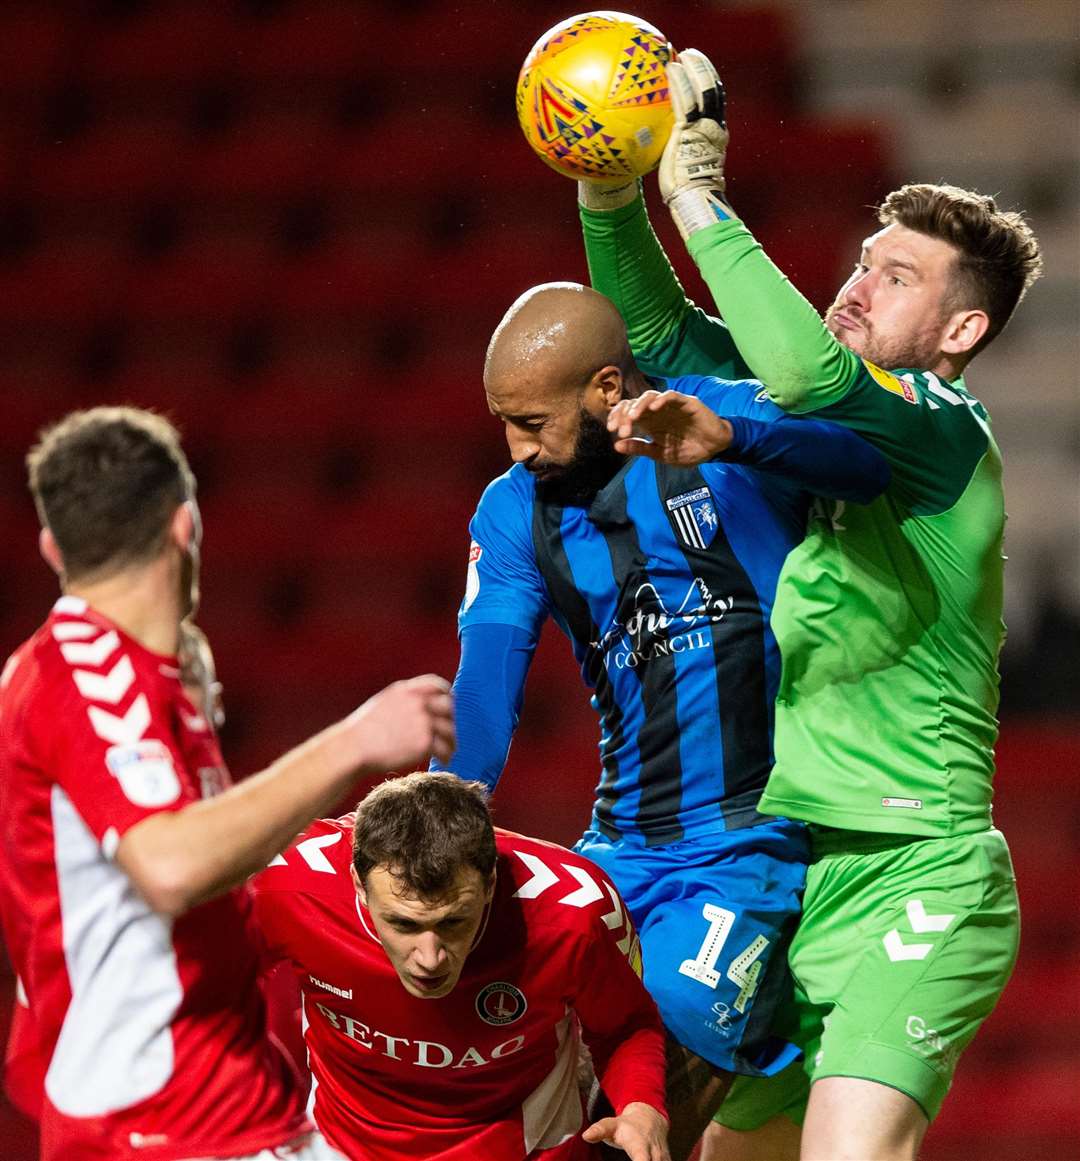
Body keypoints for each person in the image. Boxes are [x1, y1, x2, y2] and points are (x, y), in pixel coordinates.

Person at [574, 49, 1043, 1161]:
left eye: (897, 276)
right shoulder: (814, 440)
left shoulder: (939, 432)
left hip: (918, 872)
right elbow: (658, 329)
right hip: (793, 872)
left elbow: (807, 377)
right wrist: (608, 183)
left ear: (961, 331)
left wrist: (696, 194)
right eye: (864, 259)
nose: (856, 281)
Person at [435, 280, 892, 1157]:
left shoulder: (715, 423)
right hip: (620, 849)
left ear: (608, 388)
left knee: (657, 1063)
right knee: (504, 1037)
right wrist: (451, 806)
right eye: (504, 421)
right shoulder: (511, 511)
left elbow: (871, 466)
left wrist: (737, 436)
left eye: (532, 421)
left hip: (755, 837)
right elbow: (487, 684)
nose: (515, 447)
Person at [0, 406, 455, 1160]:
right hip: (161, 1122)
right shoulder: (86, 676)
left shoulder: (150, 669)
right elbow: (171, 864)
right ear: (185, 526)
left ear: (54, 544)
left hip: (223, 1099)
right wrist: (356, 741)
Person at [249, 770, 670, 1160]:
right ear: (358, 884)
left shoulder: (575, 915)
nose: (430, 958)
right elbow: (201, 986)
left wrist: (642, 1107)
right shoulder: (286, 887)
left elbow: (627, 1025)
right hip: (341, 1150)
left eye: (452, 921)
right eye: (403, 923)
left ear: (489, 884)